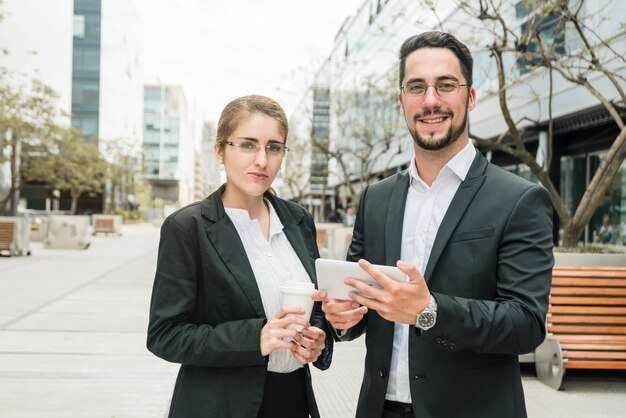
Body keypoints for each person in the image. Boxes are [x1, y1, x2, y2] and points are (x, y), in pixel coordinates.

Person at [314, 31, 554, 418]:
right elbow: (359, 301)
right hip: (379, 409)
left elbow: (526, 324)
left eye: (446, 85)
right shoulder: (376, 198)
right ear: (401, 101)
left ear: (470, 97)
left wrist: (429, 310)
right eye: (416, 87)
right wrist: (343, 318)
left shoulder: (519, 199)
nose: (430, 101)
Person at [147, 95, 332, 418]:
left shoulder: (298, 220)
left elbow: (314, 309)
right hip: (219, 405)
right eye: (248, 145)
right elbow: (165, 335)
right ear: (220, 150)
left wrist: (319, 342)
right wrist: (255, 338)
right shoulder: (187, 227)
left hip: (293, 402)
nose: (262, 160)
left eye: (274, 147)